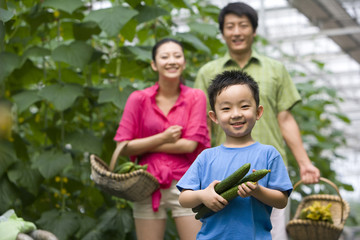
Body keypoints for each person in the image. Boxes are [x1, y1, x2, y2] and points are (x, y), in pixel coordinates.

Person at [194, 2, 320, 239]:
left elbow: (285, 117)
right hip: (223, 175)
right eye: (230, 26)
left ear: (254, 30)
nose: (237, 32)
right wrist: (200, 168)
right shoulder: (207, 72)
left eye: (243, 25)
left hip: (269, 172)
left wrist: (304, 163)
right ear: (222, 33)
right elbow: (203, 123)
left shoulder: (275, 69)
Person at [177, 70, 293, 240]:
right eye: (226, 108)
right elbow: (184, 198)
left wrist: (258, 191)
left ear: (258, 112)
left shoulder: (269, 154)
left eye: (244, 106)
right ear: (214, 117)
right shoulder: (206, 157)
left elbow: (281, 200)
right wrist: (203, 195)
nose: (236, 114)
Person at [113, 38, 210, 240]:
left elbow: (189, 144)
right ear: (154, 64)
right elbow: (123, 146)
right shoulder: (138, 98)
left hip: (187, 182)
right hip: (146, 183)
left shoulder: (196, 96)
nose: (171, 61)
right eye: (164, 56)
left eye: (177, 56)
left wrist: (144, 145)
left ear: (184, 62)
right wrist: (163, 137)